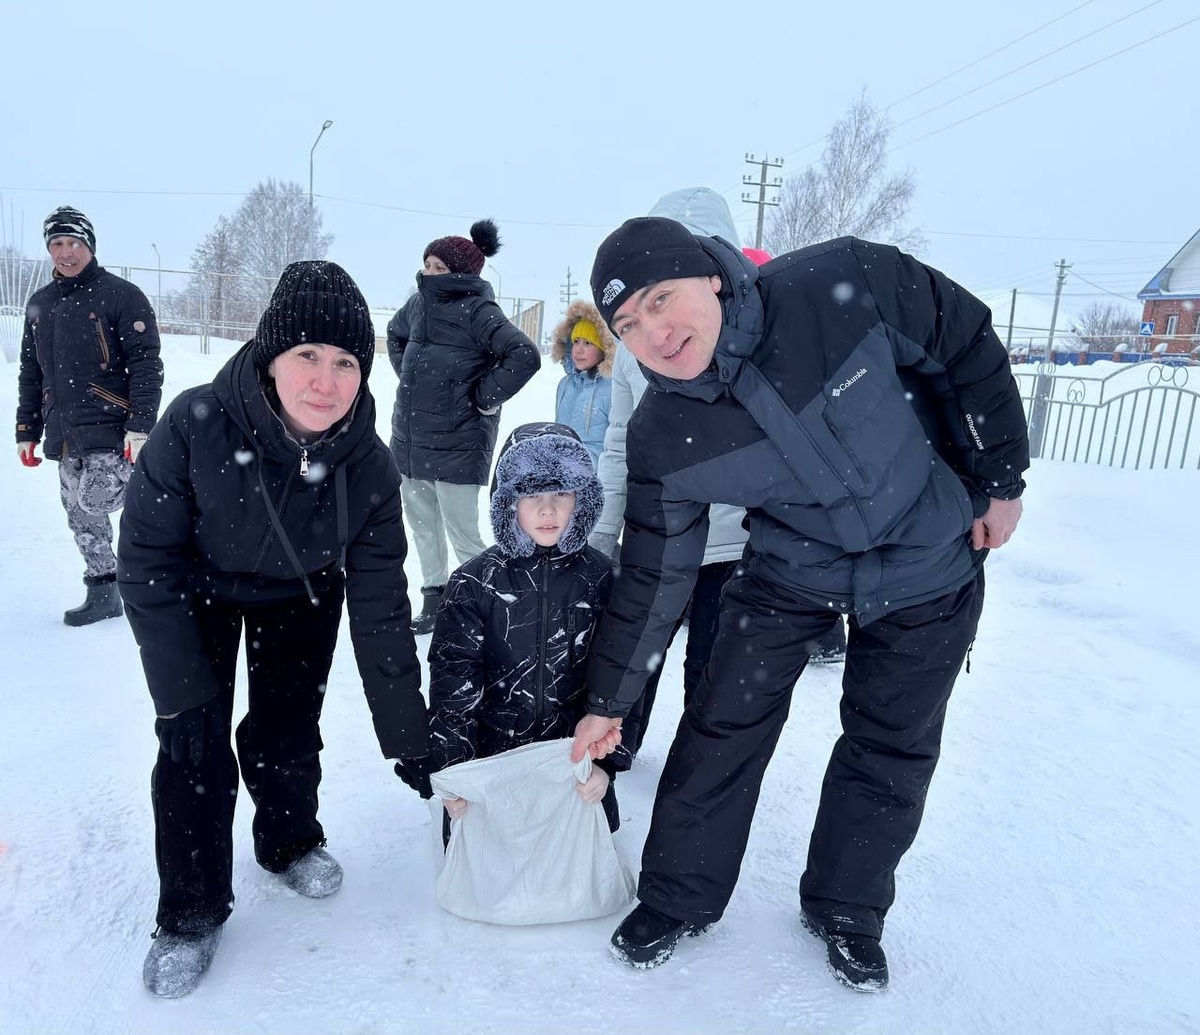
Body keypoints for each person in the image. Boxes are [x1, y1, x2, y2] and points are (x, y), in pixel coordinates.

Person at [572, 217, 1028, 991]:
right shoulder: (664, 432)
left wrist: (1001, 477)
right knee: (721, 724)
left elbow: (964, 342)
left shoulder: (841, 285)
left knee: (893, 743)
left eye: (661, 298)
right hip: (789, 573)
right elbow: (653, 575)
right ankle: (679, 895)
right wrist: (611, 699)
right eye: (629, 323)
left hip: (928, 561)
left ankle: (848, 908)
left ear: (710, 276)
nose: (655, 330)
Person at [118, 261, 433, 999]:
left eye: (346, 361)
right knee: (193, 743)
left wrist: (407, 735)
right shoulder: (196, 424)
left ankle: (289, 841)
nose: (326, 380)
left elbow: (384, 605)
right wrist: (182, 690)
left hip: (300, 592)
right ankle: (190, 911)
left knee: (288, 730)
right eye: (308, 356)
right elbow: (143, 558)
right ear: (271, 355)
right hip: (197, 591)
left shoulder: (370, 468)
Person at [590, 188, 749, 757]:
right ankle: (613, 755)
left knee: (714, 676)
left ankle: (696, 768)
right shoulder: (637, 350)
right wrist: (604, 531)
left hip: (737, 547)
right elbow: (618, 443)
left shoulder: (751, 337)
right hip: (659, 536)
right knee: (633, 655)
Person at [429, 422, 625, 836]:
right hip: (492, 764)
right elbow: (454, 685)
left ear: (584, 500)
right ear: (507, 504)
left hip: (575, 760)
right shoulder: (474, 583)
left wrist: (607, 765)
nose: (547, 510)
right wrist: (455, 771)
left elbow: (624, 682)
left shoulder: (605, 579)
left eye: (561, 494)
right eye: (531, 495)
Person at [388, 219, 542, 636]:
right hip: (411, 437)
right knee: (422, 525)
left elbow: (523, 355)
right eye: (427, 263)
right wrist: (408, 372)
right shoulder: (418, 304)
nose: (429, 272)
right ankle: (435, 599)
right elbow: (394, 334)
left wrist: (483, 396)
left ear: (460, 272)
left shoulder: (478, 310)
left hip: (457, 441)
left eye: (438, 266)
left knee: (462, 531)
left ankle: (488, 602)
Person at [16, 205, 163, 626]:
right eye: (57, 244)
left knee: (95, 500)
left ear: (90, 246)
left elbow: (146, 364)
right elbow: (32, 372)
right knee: (79, 514)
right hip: (66, 431)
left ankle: (167, 519)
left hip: (112, 427)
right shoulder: (41, 304)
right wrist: (27, 429)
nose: (66, 252)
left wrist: (140, 426)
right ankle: (104, 590)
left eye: (74, 242)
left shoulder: (120, 295)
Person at [549, 302, 613, 466]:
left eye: (588, 343)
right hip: (563, 475)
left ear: (603, 348)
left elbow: (617, 445)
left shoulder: (613, 387)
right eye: (576, 341)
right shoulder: (565, 384)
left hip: (597, 477)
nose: (579, 350)